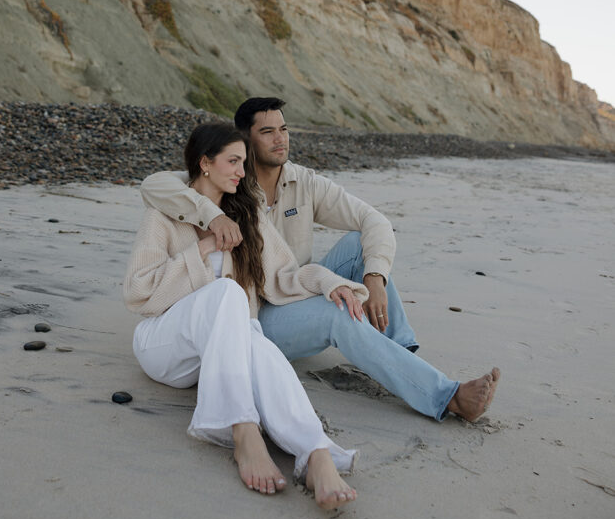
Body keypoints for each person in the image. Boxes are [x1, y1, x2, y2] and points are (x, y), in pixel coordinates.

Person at [141, 99, 500, 423]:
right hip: (258, 311)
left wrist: (375, 278)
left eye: (283, 129)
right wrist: (213, 215)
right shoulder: (228, 180)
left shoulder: (304, 182)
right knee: (335, 313)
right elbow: (155, 184)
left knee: (361, 244)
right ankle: (446, 396)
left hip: (294, 284)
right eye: (267, 132)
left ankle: (401, 354)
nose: (280, 139)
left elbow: (374, 221)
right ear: (244, 141)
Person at [124, 121, 371, 509]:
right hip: (164, 344)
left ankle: (316, 453)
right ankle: (242, 429)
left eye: (244, 162)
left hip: (216, 356)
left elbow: (284, 276)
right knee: (227, 293)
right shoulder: (163, 216)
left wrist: (329, 283)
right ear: (205, 163)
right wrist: (201, 250)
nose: (243, 171)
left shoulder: (247, 217)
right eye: (234, 161)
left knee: (256, 340)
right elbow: (139, 293)